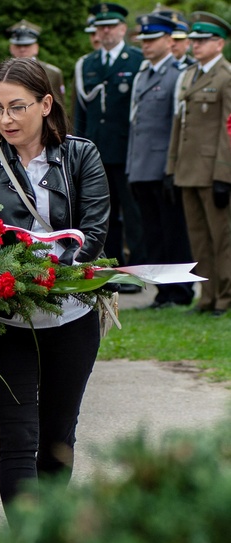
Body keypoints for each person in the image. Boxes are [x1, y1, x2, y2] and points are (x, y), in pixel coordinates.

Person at [0, 58, 110, 518]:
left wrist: (54, 278)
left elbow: (95, 230)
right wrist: (3, 285)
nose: (5, 119)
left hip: (71, 315)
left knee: (58, 437)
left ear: (45, 105)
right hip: (7, 320)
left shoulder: (82, 155)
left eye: (17, 107)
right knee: (18, 439)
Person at [74, 3, 145, 292]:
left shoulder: (136, 60)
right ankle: (112, 272)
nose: (105, 31)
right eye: (100, 27)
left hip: (128, 152)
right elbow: (80, 111)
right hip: (96, 153)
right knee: (103, 216)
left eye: (111, 26)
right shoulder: (86, 64)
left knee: (133, 215)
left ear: (122, 29)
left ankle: (135, 274)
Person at [126, 14, 194, 309]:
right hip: (141, 167)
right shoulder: (143, 75)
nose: (146, 45)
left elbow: (178, 125)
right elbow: (136, 125)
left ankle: (181, 290)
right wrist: (131, 165)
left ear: (170, 41)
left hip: (164, 168)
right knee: (152, 232)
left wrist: (173, 167)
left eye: (153, 40)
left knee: (174, 231)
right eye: (144, 40)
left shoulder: (178, 74)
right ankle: (162, 291)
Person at [166, 12, 231, 317]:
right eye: (193, 39)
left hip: (212, 172)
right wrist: (172, 167)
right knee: (199, 239)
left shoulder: (226, 77)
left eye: (202, 40)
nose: (195, 44)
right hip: (188, 171)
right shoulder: (190, 75)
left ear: (219, 43)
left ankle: (225, 298)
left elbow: (227, 130)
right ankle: (206, 298)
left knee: (222, 238)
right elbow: (180, 125)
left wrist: (223, 174)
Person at [6, 20, 66, 105]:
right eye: (18, 45)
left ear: (36, 48)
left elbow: (59, 106)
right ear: (11, 48)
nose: (22, 49)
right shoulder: (2, 73)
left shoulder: (52, 73)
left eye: (27, 45)